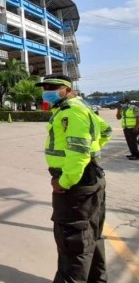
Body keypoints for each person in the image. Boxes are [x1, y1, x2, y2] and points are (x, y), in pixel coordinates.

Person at [36, 74, 112, 283]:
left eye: (53, 87)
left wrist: (64, 181)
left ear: (68, 90)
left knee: (73, 244)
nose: (47, 91)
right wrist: (92, 153)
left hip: (75, 185)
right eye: (45, 87)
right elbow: (106, 130)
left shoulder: (72, 111)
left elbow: (78, 152)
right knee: (91, 237)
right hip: (89, 178)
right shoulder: (82, 108)